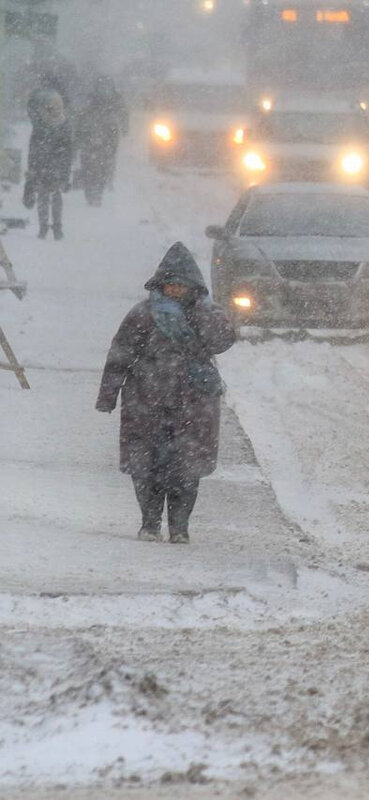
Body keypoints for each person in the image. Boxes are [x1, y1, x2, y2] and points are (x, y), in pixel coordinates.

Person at [96, 243, 237, 544]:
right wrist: (108, 394)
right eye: (171, 285)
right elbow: (119, 354)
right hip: (146, 402)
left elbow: (223, 340)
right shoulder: (143, 315)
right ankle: (149, 522)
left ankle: (180, 526)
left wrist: (201, 314)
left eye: (181, 286)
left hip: (193, 406)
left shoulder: (207, 314)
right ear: (161, 285)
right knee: (145, 467)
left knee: (187, 469)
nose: (175, 291)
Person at [25, 89, 73, 240]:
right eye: (50, 107)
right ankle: (45, 227)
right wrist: (32, 170)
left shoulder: (59, 126)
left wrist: (64, 171)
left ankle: (54, 227)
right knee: (45, 195)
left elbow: (67, 151)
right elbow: (33, 150)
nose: (53, 111)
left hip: (54, 165)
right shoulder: (41, 126)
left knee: (51, 195)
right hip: (43, 165)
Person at [76, 76, 129, 206]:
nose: (104, 90)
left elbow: (81, 116)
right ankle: (101, 185)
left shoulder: (96, 99)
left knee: (95, 163)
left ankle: (96, 188)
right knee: (103, 162)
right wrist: (124, 128)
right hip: (103, 135)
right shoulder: (115, 99)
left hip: (100, 135)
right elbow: (123, 114)